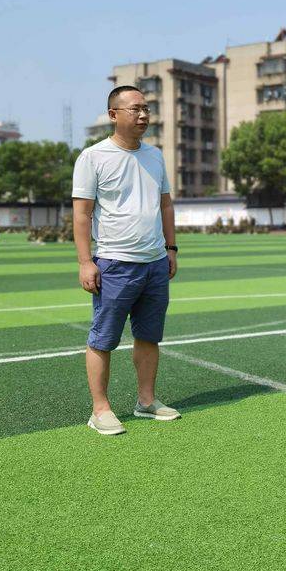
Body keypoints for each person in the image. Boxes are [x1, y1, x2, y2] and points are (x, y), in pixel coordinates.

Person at [72, 85, 180, 436]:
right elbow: (82, 214)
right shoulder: (93, 157)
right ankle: (100, 409)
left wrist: (171, 249)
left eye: (146, 109)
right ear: (114, 114)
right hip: (115, 263)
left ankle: (146, 401)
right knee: (103, 339)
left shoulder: (155, 156)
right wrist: (86, 261)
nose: (144, 115)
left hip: (154, 264)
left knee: (149, 336)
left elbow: (165, 204)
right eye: (135, 109)